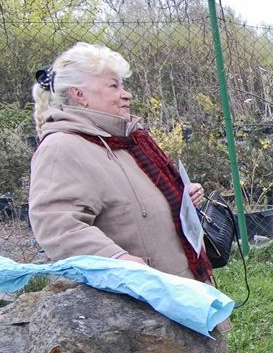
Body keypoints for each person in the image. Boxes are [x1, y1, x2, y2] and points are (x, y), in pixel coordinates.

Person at [29, 42, 212, 283]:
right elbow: (58, 225)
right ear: (79, 95)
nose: (126, 94)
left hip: (178, 281)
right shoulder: (62, 147)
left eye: (122, 85)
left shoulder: (124, 140)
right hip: (143, 293)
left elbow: (135, 198)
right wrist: (116, 258)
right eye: (114, 86)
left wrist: (180, 197)